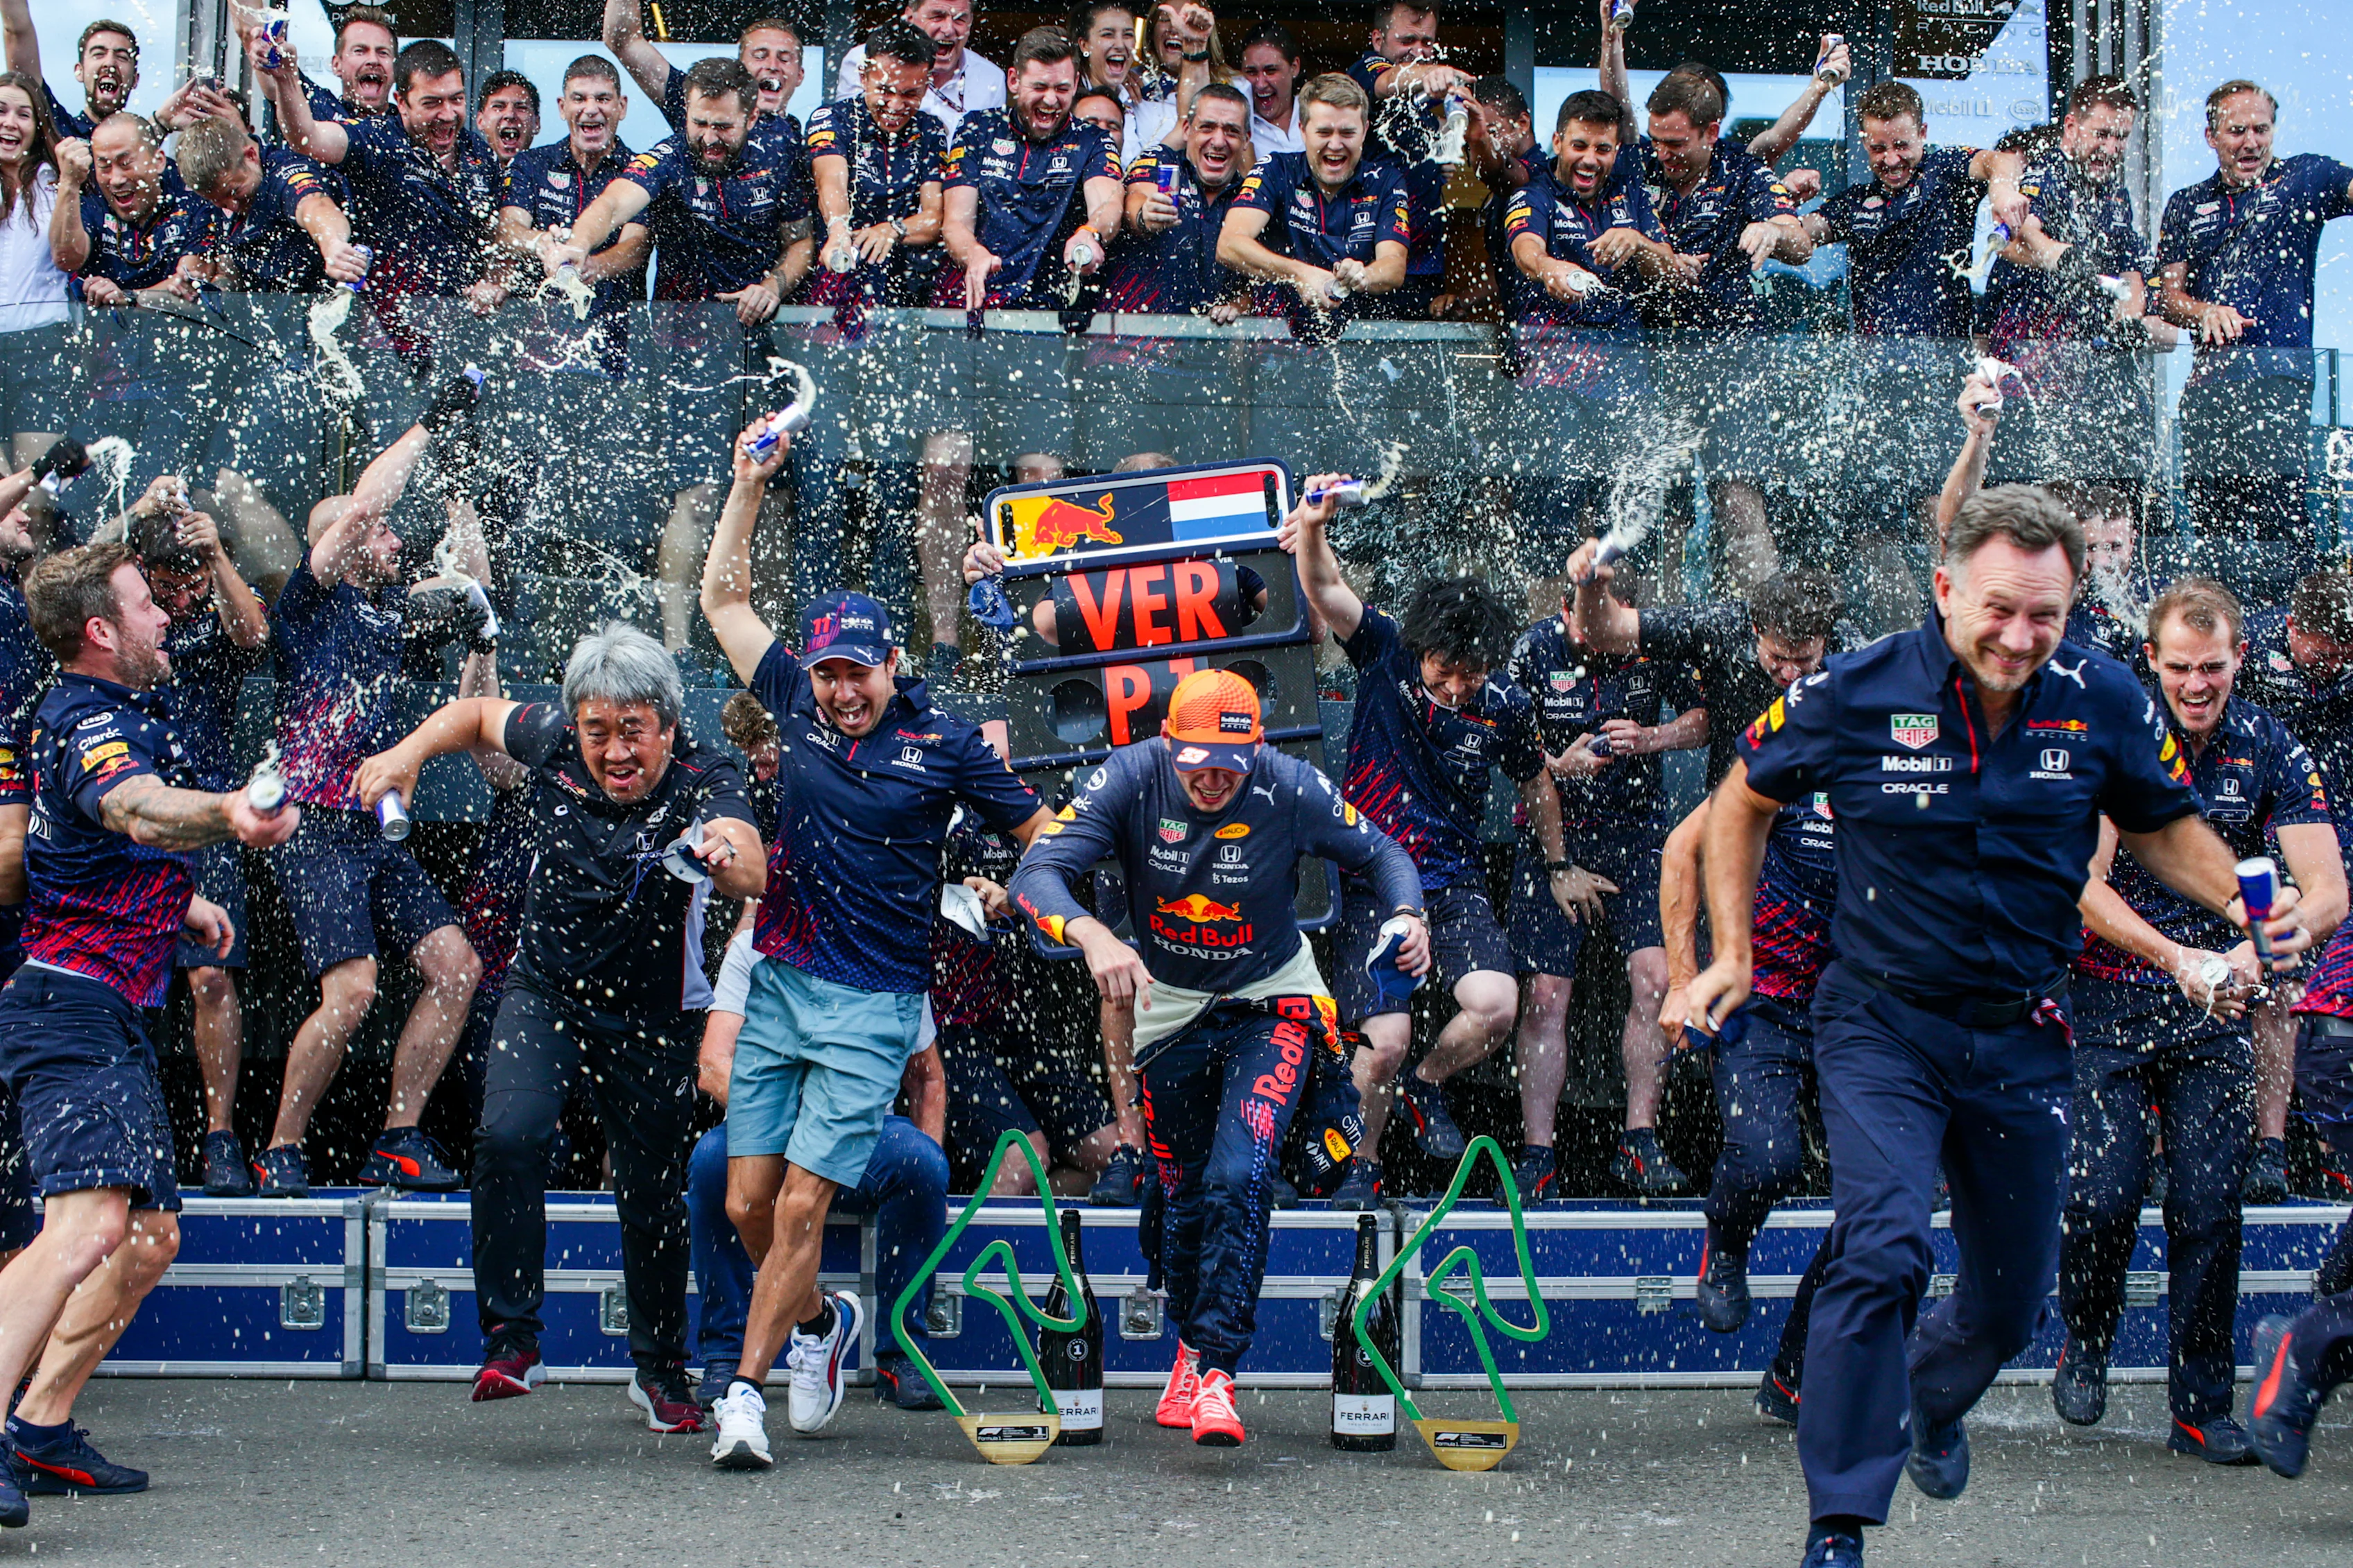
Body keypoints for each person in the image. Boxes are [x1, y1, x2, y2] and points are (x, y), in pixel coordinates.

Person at [1682, 485, 2306, 1568]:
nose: (2020, 637)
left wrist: (2255, 900)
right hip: (1882, 1023)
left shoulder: (2103, 695)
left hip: (2023, 1036)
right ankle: (1839, 1522)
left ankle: (1928, 1401)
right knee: (1882, 1248)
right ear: (1945, 589)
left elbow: (2166, 830)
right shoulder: (1857, 687)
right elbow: (1742, 800)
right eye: (2001, 610)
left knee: (2011, 1309)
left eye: (2046, 616)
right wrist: (1729, 955)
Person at [694, 420, 1053, 1470]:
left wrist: (1035, 896)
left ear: (894, 664)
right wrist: (747, 484)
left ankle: (743, 1398)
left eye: (860, 670)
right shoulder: (795, 706)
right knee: (748, 1202)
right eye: (829, 671)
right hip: (781, 983)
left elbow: (1043, 836)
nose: (842, 688)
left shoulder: (943, 747)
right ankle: (819, 1327)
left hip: (877, 1000)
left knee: (805, 1199)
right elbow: (722, 600)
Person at [355, 623, 761, 1430]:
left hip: (654, 1012)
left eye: (633, 732)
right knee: (508, 1134)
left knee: (650, 1193)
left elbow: (750, 859)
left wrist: (721, 851)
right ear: (574, 722)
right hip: (544, 991)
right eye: (597, 730)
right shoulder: (551, 738)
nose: (614, 751)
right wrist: (406, 754)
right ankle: (512, 1332)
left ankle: (659, 1369)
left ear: (669, 727)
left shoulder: (707, 772)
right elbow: (472, 716)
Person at [1010, 666, 1427, 1445]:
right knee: (1184, 1196)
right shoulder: (1130, 776)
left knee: (1244, 1170)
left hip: (1274, 999)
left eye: (1227, 766)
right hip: (1167, 1010)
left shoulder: (1288, 783)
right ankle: (1189, 1341)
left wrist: (1408, 915)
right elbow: (1036, 870)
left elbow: (1385, 855)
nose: (1211, 778)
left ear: (1257, 750)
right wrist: (1092, 933)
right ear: (1169, 743)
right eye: (1195, 760)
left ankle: (1215, 1371)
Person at [0, 541, 296, 1526]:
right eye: (145, 604)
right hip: (68, 1007)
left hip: (107, 1006)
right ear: (101, 630)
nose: (169, 615)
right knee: (83, 1227)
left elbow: (80, 852)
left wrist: (180, 910)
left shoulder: (109, 709)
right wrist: (224, 814)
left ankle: (38, 1426)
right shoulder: (89, 723)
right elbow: (131, 807)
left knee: (149, 1235)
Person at [2054, 578, 2345, 1463]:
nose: (2194, 684)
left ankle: (2199, 1404)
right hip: (2112, 992)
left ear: (2238, 660)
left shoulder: (2267, 742)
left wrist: (2255, 953)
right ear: (2150, 659)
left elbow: (2327, 886)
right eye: (2178, 667)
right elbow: (2081, 886)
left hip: (2220, 1001)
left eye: (2210, 668)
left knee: (2209, 1205)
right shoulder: (2117, 735)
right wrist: (2174, 958)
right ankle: (2087, 1338)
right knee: (2101, 1195)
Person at [1283, 476, 1555, 1208]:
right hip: (1372, 880)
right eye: (1446, 670)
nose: (1459, 686)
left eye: (1473, 673)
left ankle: (1424, 1085)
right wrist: (1312, 525)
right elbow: (1325, 583)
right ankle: (1360, 1166)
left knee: (1495, 1004)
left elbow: (1535, 783)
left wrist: (1558, 864)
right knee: (1384, 1040)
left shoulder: (1505, 705)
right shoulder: (1384, 653)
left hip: (1452, 884)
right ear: (1422, 648)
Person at [255, 376, 493, 1197]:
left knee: (456, 966)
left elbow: (465, 603)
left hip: (372, 825)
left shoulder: (391, 618)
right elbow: (358, 510)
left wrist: (481, 615)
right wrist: (431, 421)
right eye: (381, 529)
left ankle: (398, 1137)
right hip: (312, 822)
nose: (392, 536)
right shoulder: (309, 606)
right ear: (342, 543)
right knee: (353, 991)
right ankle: (281, 1145)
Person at [555, 57, 814, 651]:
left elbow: (800, 243)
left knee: (767, 498)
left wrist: (773, 285)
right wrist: (575, 244)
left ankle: (760, 647)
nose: (709, 138)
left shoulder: (780, 158)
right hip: (685, 352)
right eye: (700, 123)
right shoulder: (671, 155)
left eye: (723, 126)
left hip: (762, 351)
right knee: (695, 497)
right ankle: (677, 649)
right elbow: (616, 202)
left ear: (751, 115)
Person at [687, 915, 950, 1411]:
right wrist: (781, 1126)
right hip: (770, 1130)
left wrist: (931, 1153)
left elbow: (928, 1080)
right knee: (710, 1163)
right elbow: (713, 1064)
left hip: (865, 1131)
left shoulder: (889, 945)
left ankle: (902, 1353)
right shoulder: (754, 946)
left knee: (921, 1164)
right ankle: (726, 1350)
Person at [1658, 719, 1839, 1427]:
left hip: (1855, 1012)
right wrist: (1681, 980)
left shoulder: (1899, 777)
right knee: (1767, 1159)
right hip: (1760, 1001)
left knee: (1884, 1206)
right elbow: (1681, 849)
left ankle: (1798, 1373)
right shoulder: (1791, 755)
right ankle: (1726, 1243)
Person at [1507, 575, 1707, 1200]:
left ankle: (1639, 1143)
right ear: (1564, 609)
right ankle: (1538, 1152)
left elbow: (1710, 717)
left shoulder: (1651, 642)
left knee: (1657, 978)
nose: (1589, 635)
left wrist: (1653, 738)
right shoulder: (1535, 648)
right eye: (1579, 622)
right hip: (1550, 831)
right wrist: (1555, 763)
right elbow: (1498, 733)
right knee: (1545, 993)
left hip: (1637, 833)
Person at [1591, 43, 1811, 589]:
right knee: (1658, 502)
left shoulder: (1743, 169)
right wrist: (1609, 38)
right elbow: (1614, 107)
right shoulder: (1641, 165)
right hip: (1653, 358)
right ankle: (1654, 628)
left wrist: (1772, 232)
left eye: (1676, 143)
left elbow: (1801, 243)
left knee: (1737, 495)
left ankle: (1766, 623)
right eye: (1657, 140)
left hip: (1731, 359)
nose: (1662, 153)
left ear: (1710, 132)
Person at [121, 500, 269, 1196]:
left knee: (211, 976)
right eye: (168, 585)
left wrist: (217, 557)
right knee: (131, 978)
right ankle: (137, 1129)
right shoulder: (127, 610)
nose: (181, 599)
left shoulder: (218, 601)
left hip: (208, 813)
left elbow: (254, 634)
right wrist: (130, 517)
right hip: (133, 809)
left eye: (193, 582)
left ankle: (220, 1133)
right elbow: (60, 599)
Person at [2157, 80, 2353, 598]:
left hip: (2277, 382)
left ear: (2274, 131)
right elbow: (2167, 298)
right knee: (2212, 526)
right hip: (2207, 390)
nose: (2250, 142)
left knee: (2279, 523)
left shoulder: (2304, 178)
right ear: (2210, 136)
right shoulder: (2187, 204)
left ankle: (2284, 640)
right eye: (2236, 130)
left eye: (2260, 129)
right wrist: (2204, 311)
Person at [1496, 89, 1679, 583]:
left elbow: (1677, 272)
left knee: (1628, 534)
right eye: (1579, 145)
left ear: (1617, 151)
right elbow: (1525, 248)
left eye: (1603, 149)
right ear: (1557, 140)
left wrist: (1640, 243)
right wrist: (1549, 266)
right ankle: (1547, 646)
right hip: (1551, 392)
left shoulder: (1632, 197)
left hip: (1624, 387)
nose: (1590, 159)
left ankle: (1623, 646)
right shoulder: (1532, 194)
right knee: (1547, 539)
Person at [255, 35, 509, 369]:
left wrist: (495, 279)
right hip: (385, 345)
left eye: (457, 100)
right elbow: (307, 138)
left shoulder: (479, 154)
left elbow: (496, 237)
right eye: (432, 103)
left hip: (461, 337)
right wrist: (286, 79)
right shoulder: (379, 139)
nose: (447, 115)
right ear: (401, 102)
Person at [1979, 76, 2165, 490]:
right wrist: (2065, 259)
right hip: (2026, 363)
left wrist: (2129, 319)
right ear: (2071, 128)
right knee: (2027, 494)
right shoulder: (2045, 173)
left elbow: (2133, 273)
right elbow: (2024, 232)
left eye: (2122, 138)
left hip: (2081, 370)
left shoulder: (2115, 193)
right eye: (2102, 134)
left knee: (2086, 493)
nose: (2112, 149)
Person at [2241, 562, 2353, 1196]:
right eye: (2319, 653)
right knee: (2277, 979)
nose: (2329, 666)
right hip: (2264, 843)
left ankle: (2328, 1145)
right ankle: (2272, 1145)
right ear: (2291, 627)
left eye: (2343, 656)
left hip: (2336, 843)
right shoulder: (2250, 654)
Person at [1571, 553, 1843, 786]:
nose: (1791, 674)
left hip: (1818, 810)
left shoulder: (1852, 653)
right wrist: (1591, 587)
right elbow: (1606, 633)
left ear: (1827, 640)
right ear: (1756, 630)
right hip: (1735, 807)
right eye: (1778, 657)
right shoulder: (1721, 629)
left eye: (1805, 660)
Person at [940, 28, 1123, 314]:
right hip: (975, 301)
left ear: (1076, 84)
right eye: (1039, 87)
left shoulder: (1092, 139)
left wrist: (1091, 233)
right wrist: (972, 252)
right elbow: (955, 223)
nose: (1051, 100)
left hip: (1051, 313)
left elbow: (1108, 204)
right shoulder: (978, 128)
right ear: (1014, 81)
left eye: (1062, 89)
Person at [1218, 72, 1411, 332]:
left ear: (1365, 131)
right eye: (1323, 132)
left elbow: (1394, 267)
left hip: (1358, 343)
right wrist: (1298, 274)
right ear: (1303, 130)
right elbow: (1229, 245)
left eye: (1347, 132)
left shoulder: (1386, 180)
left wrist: (1363, 276)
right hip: (1278, 341)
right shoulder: (1276, 170)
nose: (1335, 144)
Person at [805, 19, 947, 311]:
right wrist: (838, 229)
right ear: (864, 77)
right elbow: (831, 180)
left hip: (905, 287)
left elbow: (934, 218)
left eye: (910, 94)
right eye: (885, 90)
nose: (895, 105)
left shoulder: (931, 130)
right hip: (839, 269)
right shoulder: (833, 118)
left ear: (927, 84)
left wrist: (893, 230)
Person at [1346, 1, 1474, 320]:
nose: (1418, 51)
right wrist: (1433, 73)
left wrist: (1438, 160)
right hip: (1367, 265)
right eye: (1407, 41)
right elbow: (1387, 81)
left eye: (1427, 43)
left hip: (1423, 265)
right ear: (1378, 40)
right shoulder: (1364, 73)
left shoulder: (1425, 102)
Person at [1104, 81, 1250, 318]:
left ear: (1246, 140)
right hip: (1134, 343)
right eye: (1207, 127)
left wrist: (1238, 307)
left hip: (1208, 344)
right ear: (1186, 130)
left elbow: (1252, 285)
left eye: (1232, 131)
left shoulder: (1249, 195)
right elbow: (1136, 196)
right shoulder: (1165, 163)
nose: (1219, 140)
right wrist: (1145, 215)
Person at [176, 114, 367, 293]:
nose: (232, 206)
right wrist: (208, 290)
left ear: (251, 155)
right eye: (219, 203)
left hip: (325, 307)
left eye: (235, 193)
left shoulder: (285, 174)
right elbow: (231, 273)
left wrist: (332, 243)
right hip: (269, 314)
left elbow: (315, 206)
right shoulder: (222, 192)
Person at [48, 114, 213, 308]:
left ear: (158, 161)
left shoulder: (192, 203)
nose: (116, 179)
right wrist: (69, 183)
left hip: (174, 329)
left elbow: (190, 283)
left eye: (125, 164)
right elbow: (66, 260)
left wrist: (128, 298)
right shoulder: (91, 199)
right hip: (103, 333)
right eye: (104, 166)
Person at [0, 72, 74, 481]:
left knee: (39, 492)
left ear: (37, 127)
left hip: (40, 348)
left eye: (23, 114)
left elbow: (69, 256)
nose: (10, 122)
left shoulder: (55, 182)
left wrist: (69, 182)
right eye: (1, 111)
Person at [603, 1, 805, 140]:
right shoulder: (701, 103)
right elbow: (623, 41)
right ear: (739, 68)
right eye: (760, 56)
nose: (772, 65)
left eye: (784, 58)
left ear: (800, 75)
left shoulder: (808, 140)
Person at [832, 0, 1002, 141]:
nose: (949, 30)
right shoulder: (865, 59)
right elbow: (850, 134)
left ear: (970, 23)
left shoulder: (992, 78)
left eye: (959, 19)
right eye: (937, 17)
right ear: (909, 18)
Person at [0, 8, 135, 142]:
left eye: (122, 57)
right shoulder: (57, 127)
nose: (110, 63)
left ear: (135, 80)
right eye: (99, 54)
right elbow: (16, 31)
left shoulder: (143, 145)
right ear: (79, 71)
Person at [264, 3, 398, 132]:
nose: (373, 60)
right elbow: (274, 85)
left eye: (383, 53)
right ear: (336, 65)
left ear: (396, 68)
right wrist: (260, 46)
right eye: (360, 51)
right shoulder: (319, 107)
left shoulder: (407, 125)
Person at [1237, 23, 1303, 156]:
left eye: (1271, 71)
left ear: (1294, 67)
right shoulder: (1237, 127)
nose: (1261, 84)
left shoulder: (1316, 113)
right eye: (1252, 72)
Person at [473, 70, 539, 170]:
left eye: (521, 107)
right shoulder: (464, 176)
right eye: (499, 106)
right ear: (480, 120)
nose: (510, 114)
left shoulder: (546, 179)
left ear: (537, 123)